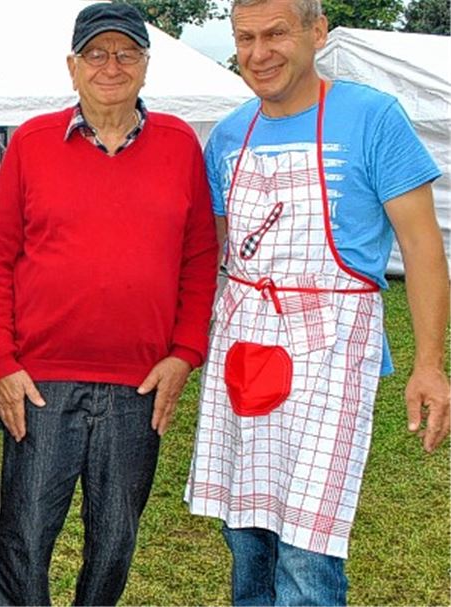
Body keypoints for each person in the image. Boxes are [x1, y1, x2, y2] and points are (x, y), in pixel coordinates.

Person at [185, 0, 450, 604]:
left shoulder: (372, 117)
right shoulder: (230, 134)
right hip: (244, 340)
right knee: (246, 529)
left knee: (307, 546)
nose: (259, 53)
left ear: (317, 31)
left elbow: (422, 248)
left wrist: (429, 363)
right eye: (245, 37)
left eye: (276, 33)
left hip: (330, 349)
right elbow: (214, 250)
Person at [0, 3, 220, 604]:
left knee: (114, 543)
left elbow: (199, 259)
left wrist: (185, 352)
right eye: (96, 53)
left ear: (145, 64)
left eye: (126, 53)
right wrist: (3, 364)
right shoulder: (33, 142)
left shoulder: (180, 144)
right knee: (25, 540)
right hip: (42, 383)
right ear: (72, 66)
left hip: (139, 386)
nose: (110, 66)